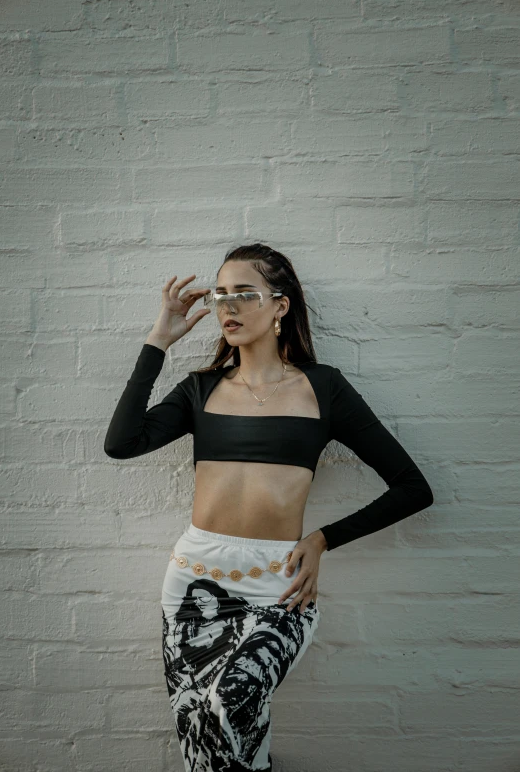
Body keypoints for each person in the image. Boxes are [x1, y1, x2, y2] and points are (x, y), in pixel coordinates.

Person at [104, 243, 434, 772]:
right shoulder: (200, 389)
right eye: (220, 296)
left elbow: (412, 487)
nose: (227, 307)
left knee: (226, 703)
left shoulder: (323, 388)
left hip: (277, 586)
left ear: (280, 306)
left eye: (244, 294)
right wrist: (158, 341)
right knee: (204, 744)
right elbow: (121, 443)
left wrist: (323, 538)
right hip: (193, 583)